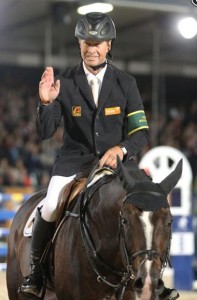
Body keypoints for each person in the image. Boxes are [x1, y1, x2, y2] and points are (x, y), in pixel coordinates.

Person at [19, 12, 178, 300]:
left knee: (147, 208)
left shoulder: (126, 83)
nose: (91, 49)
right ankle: (36, 273)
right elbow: (45, 132)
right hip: (74, 162)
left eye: (98, 43)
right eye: (86, 42)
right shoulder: (65, 82)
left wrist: (121, 149)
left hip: (118, 166)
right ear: (79, 44)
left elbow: (140, 133)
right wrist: (45, 103)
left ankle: (153, 277)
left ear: (109, 46)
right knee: (52, 204)